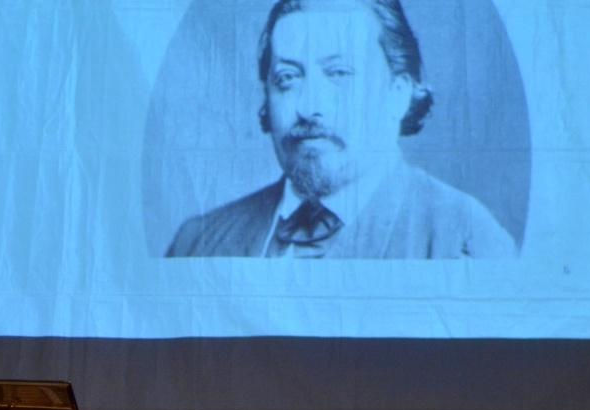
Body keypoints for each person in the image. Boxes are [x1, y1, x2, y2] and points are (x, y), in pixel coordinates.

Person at [166, 0, 515, 258]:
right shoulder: (196, 244)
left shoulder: (464, 240)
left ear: (398, 94)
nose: (308, 106)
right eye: (287, 79)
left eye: (338, 74)